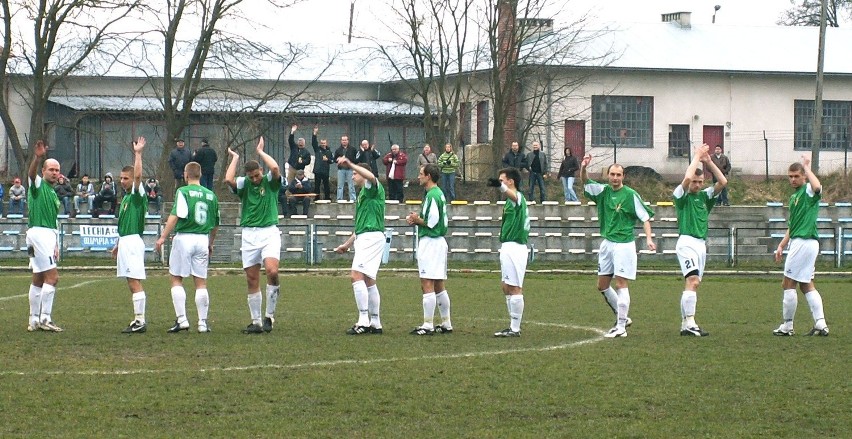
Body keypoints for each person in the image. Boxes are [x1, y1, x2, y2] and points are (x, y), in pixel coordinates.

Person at [580, 154, 656, 338]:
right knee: (602, 285)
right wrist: (583, 167)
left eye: (618, 175)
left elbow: (645, 217)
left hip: (624, 244)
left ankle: (621, 327)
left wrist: (649, 239)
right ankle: (623, 317)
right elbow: (585, 182)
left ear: (623, 177)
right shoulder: (603, 191)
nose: (615, 178)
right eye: (612, 174)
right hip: (607, 244)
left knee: (621, 283)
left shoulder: (630, 195)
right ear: (608, 176)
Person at [224, 137, 283, 334]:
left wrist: (261, 153)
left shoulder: (270, 182)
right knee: (251, 278)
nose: (255, 179)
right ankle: (256, 321)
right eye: (251, 177)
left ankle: (270, 316)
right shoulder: (244, 185)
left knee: (272, 271)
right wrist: (235, 158)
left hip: (269, 232)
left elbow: (275, 169)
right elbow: (228, 180)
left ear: (260, 172)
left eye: (257, 175)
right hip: (249, 234)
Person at [155, 161, 220, 334]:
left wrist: (162, 237)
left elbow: (176, 214)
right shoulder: (211, 195)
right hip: (202, 240)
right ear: (200, 174)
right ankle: (202, 323)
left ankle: (182, 319)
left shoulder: (182, 191)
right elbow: (215, 224)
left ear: (186, 174)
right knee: (200, 282)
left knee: (176, 278)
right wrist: (211, 243)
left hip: (184, 238)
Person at [673, 144, 727, 337]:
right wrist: (696, 156)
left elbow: (722, 181)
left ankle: (684, 324)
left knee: (693, 283)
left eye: (700, 182)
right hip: (686, 242)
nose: (696, 185)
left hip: (701, 245)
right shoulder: (681, 197)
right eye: (695, 182)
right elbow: (686, 178)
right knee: (693, 281)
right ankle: (690, 323)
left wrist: (709, 162)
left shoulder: (705, 197)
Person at [772, 155, 829, 337]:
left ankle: (787, 326)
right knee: (806, 284)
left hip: (804, 243)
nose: (793, 179)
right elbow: (793, 225)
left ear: (803, 177)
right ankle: (820, 324)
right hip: (803, 242)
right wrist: (781, 245)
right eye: (790, 176)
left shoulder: (807, 191)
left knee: (788, 283)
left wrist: (808, 168)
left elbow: (818, 187)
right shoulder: (794, 197)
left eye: (797, 176)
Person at [334, 155, 386, 335]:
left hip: (371, 238)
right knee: (369, 280)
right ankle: (376, 323)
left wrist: (350, 163)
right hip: (367, 236)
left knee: (356, 275)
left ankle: (363, 321)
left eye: (355, 173)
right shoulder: (363, 194)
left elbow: (372, 177)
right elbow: (360, 227)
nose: (353, 176)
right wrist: (347, 244)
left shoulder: (372, 187)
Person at [405, 163, 452, 335]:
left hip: (431, 242)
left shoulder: (433, 195)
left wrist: (415, 219)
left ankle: (428, 325)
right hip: (438, 241)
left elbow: (431, 222)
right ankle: (446, 323)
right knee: (439, 284)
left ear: (429, 176)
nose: (418, 176)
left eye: (421, 174)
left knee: (427, 283)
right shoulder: (437, 194)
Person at [112, 137, 150, 333]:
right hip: (126, 241)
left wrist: (138, 154)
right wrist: (118, 244)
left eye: (125, 178)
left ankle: (140, 321)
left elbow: (138, 177)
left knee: (134, 280)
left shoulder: (136, 196)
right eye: (121, 178)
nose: (122, 180)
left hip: (133, 241)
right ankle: (138, 319)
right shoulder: (126, 198)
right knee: (131, 280)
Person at [486, 167, 530, 337]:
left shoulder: (517, 198)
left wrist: (501, 187)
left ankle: (515, 328)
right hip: (508, 246)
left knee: (514, 288)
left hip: (515, 247)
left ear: (511, 182)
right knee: (506, 287)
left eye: (502, 180)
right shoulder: (509, 201)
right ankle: (512, 325)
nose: (500, 183)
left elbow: (514, 196)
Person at [25, 140, 63, 332]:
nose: (54, 173)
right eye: (51, 170)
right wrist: (38, 158)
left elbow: (53, 221)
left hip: (46, 235)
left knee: (39, 277)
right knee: (53, 277)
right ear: (44, 172)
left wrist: (55, 243)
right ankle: (46, 318)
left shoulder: (53, 193)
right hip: (39, 233)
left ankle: (33, 319)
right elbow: (31, 174)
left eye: (57, 170)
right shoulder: (38, 186)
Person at [311, 126, 334, 201]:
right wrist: (314, 133)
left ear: (326, 143)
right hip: (318, 171)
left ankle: (327, 197)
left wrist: (327, 160)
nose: (323, 144)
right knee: (317, 186)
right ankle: (316, 198)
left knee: (326, 185)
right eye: (321, 143)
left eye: (324, 143)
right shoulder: (317, 150)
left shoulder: (329, 152)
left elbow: (332, 161)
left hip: (325, 171)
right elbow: (314, 143)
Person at [333, 135, 357, 201]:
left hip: (350, 169)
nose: (344, 141)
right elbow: (334, 159)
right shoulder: (338, 150)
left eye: (345, 140)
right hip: (341, 170)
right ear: (341, 141)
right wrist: (338, 159)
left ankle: (353, 199)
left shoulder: (353, 149)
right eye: (343, 140)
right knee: (340, 186)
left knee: (351, 185)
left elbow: (356, 159)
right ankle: (339, 199)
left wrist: (347, 159)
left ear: (348, 141)